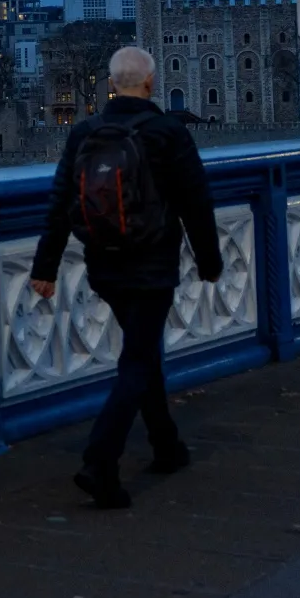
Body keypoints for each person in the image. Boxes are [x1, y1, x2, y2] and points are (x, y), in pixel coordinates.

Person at [30, 44, 221, 509]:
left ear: (112, 85)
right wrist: (209, 259)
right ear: (151, 83)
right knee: (137, 361)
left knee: (141, 351)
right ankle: (100, 461)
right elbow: (196, 202)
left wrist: (45, 266)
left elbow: (60, 203)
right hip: (152, 263)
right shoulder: (168, 132)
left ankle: (166, 446)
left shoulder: (85, 133)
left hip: (104, 263)